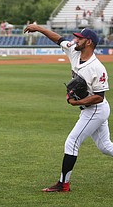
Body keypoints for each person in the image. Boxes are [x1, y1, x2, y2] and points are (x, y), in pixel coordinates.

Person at [24, 24, 113, 192]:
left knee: (72, 142)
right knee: (105, 146)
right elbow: (58, 39)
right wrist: (39, 28)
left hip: (95, 110)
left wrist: (76, 102)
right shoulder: (74, 50)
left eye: (79, 38)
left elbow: (99, 97)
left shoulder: (97, 67)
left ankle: (63, 184)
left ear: (88, 42)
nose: (75, 39)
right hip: (91, 109)